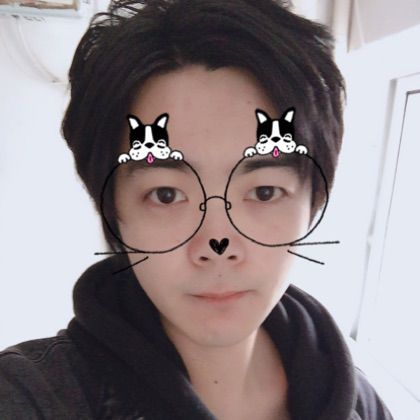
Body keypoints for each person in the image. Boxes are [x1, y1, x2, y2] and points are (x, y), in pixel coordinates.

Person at [0, 0, 394, 419]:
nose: (218, 244)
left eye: (264, 192)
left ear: (312, 200)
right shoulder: (32, 396)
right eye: (166, 195)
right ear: (113, 210)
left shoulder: (359, 401)